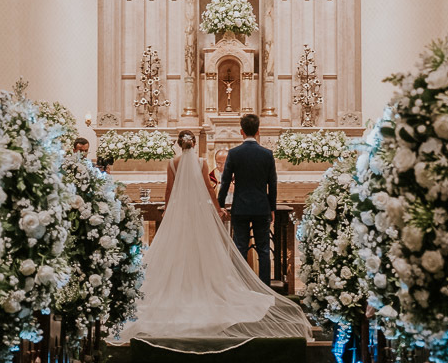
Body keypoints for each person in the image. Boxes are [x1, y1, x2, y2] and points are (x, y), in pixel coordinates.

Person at [113, 126, 310, 352]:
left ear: (178, 144)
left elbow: (169, 190)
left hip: (179, 213)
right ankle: (201, 284)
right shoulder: (200, 163)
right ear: (195, 144)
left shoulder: (171, 163)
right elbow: (208, 188)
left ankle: (180, 286)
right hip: (198, 213)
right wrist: (217, 209)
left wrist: (168, 210)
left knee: (177, 249)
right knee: (201, 249)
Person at [217, 113, 277, 285]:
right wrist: (271, 208)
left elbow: (225, 181)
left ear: (241, 131)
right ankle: (265, 287)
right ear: (258, 131)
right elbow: (272, 184)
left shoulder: (234, 154)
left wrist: (220, 205)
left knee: (240, 248)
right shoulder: (267, 154)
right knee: (264, 250)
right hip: (261, 207)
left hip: (240, 207)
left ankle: (241, 285)